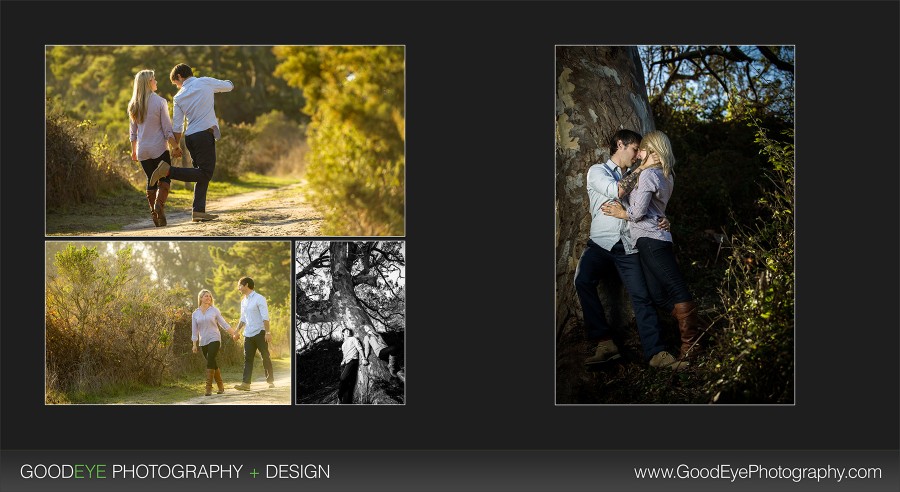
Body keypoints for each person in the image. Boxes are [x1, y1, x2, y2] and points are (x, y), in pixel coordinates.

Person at [574, 129, 686, 370]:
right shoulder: (598, 171)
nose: (638, 156)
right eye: (635, 149)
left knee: (642, 297)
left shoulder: (640, 175)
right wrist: (642, 168)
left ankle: (657, 354)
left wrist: (664, 219)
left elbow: (648, 206)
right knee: (582, 280)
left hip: (629, 246)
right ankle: (605, 343)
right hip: (600, 243)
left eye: (640, 152)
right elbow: (617, 191)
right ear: (620, 144)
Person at [602, 130, 703, 359]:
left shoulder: (648, 175)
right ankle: (701, 326)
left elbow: (637, 213)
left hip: (650, 240)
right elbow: (657, 210)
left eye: (642, 150)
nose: (638, 155)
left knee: (677, 288)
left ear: (653, 152)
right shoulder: (667, 174)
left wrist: (621, 212)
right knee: (657, 295)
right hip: (656, 237)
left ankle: (692, 345)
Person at [149, 63, 234, 222]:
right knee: (205, 173)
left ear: (180, 77)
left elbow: (178, 125)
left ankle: (198, 212)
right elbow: (229, 86)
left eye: (176, 83)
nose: (177, 87)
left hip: (191, 137)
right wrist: (227, 83)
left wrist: (176, 146)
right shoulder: (205, 82)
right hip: (204, 135)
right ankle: (168, 171)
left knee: (201, 173)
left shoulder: (178, 97)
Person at [127, 69, 182, 227]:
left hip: (142, 150)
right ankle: (159, 205)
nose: (156, 82)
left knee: (151, 180)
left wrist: (133, 151)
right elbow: (167, 130)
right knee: (164, 179)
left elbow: (133, 133)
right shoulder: (160, 102)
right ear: (147, 83)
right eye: (153, 79)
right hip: (159, 148)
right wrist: (175, 147)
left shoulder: (133, 105)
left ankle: (155, 215)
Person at [231, 277, 275, 390]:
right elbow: (243, 319)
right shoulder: (243, 301)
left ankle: (270, 381)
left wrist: (267, 332)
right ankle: (246, 384)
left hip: (260, 332)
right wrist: (236, 331)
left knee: (265, 356)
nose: (238, 288)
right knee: (248, 359)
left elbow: (265, 317)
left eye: (240, 285)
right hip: (248, 334)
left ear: (246, 285)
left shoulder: (259, 298)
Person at [191, 289, 235, 395]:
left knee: (210, 358)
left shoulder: (214, 310)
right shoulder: (195, 313)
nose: (208, 298)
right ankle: (221, 386)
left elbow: (223, 323)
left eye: (210, 296)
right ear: (201, 298)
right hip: (203, 341)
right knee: (212, 362)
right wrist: (194, 344)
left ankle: (208, 388)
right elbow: (194, 330)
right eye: (206, 296)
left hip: (214, 338)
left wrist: (233, 333)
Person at [338, 328, 368, 404]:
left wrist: (364, 358)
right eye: (346, 331)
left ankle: (339, 396)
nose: (348, 332)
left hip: (353, 361)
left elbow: (359, 348)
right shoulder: (343, 344)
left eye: (349, 331)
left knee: (342, 378)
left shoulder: (353, 339)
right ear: (343, 333)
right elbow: (344, 355)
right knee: (348, 384)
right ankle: (346, 402)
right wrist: (343, 361)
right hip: (345, 363)